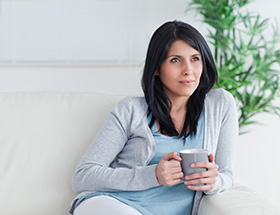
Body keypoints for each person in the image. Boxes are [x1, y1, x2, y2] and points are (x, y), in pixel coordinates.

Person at [68, 20, 238, 215]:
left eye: (195, 58)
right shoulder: (131, 109)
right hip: (113, 205)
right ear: (156, 68)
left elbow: (226, 175)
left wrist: (213, 182)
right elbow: (83, 176)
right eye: (175, 60)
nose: (188, 70)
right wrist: (153, 175)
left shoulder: (220, 104)